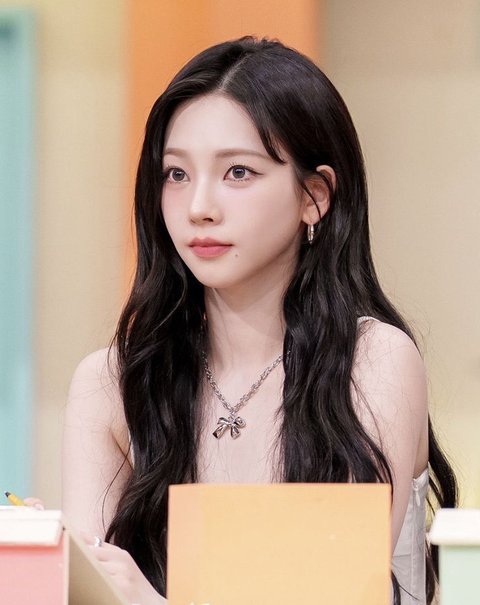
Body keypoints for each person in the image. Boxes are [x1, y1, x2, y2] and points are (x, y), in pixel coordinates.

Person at [60, 37, 457, 604]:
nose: (199, 206)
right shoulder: (111, 384)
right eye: (176, 174)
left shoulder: (374, 362)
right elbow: (88, 592)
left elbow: (337, 596)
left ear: (315, 196)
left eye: (238, 172)